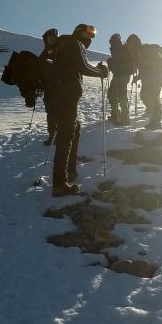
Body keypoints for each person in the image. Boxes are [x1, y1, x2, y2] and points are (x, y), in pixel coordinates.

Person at [47, 24, 107, 196]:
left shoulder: (61, 45)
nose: (91, 38)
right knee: (67, 135)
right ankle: (59, 184)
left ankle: (69, 170)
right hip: (66, 94)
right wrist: (101, 71)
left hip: (55, 94)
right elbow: (84, 67)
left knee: (73, 129)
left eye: (92, 35)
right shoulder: (75, 44)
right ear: (80, 33)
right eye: (88, 33)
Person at [134, 38, 162, 130]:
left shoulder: (146, 49)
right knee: (144, 95)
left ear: (137, 44)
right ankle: (151, 112)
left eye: (132, 45)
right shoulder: (139, 54)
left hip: (156, 77)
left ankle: (155, 122)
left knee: (154, 97)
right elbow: (144, 69)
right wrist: (137, 77)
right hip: (148, 78)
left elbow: (149, 66)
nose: (131, 48)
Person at [107, 33, 135, 126]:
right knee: (118, 95)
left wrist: (111, 63)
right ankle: (121, 117)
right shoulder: (120, 48)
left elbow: (117, 65)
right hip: (122, 76)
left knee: (116, 95)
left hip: (120, 76)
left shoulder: (117, 48)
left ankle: (120, 117)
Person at [38, 28, 60, 146]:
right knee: (50, 112)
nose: (50, 39)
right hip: (48, 87)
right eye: (48, 38)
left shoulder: (60, 49)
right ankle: (52, 135)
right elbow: (39, 65)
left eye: (52, 37)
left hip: (59, 86)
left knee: (59, 111)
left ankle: (61, 135)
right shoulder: (46, 51)